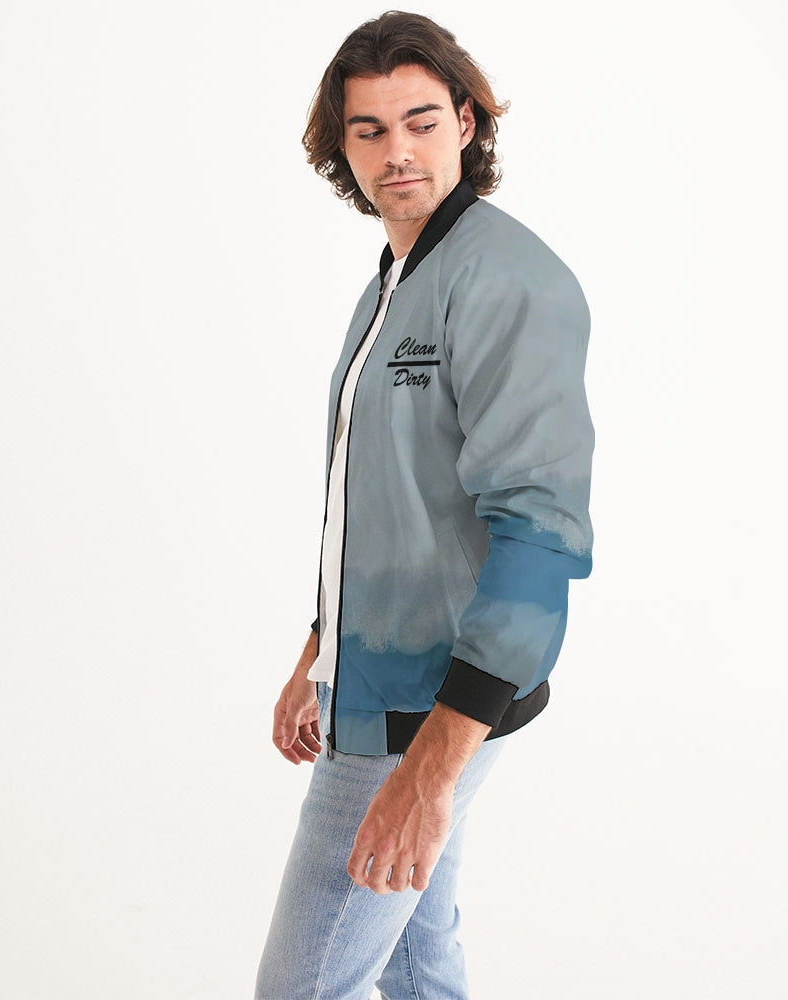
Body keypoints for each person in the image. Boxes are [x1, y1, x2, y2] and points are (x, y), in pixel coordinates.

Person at [255, 11, 594, 999]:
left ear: (466, 122)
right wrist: (320, 648)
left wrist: (433, 766)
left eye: (420, 121)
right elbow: (386, 495)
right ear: (343, 147)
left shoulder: (506, 281)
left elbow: (539, 529)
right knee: (417, 963)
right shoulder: (394, 281)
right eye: (368, 130)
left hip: (429, 704)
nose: (395, 151)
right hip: (376, 679)